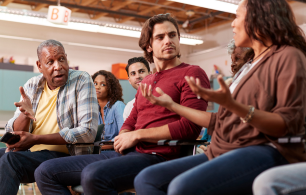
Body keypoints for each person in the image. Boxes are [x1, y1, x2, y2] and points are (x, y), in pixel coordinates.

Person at [134, 0, 306, 194]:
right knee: (147, 179)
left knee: (181, 188)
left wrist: (233, 105)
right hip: (220, 149)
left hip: (262, 149)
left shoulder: (288, 56)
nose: (232, 23)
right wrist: (172, 105)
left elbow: (286, 124)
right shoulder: (249, 64)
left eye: (237, 16)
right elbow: (218, 121)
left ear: (258, 18)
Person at [34, 13, 210, 195]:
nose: (168, 41)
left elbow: (190, 127)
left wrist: (137, 135)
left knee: (93, 175)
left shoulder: (192, 73)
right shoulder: (148, 81)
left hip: (160, 156)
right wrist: (125, 134)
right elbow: (132, 119)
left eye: (173, 35)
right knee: (45, 171)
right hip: (128, 153)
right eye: (160, 37)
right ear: (149, 45)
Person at [0, 39, 98, 195]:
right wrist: (26, 116)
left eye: (61, 59)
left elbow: (88, 132)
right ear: (40, 66)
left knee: (10, 160)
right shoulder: (32, 85)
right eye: (50, 62)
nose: (58, 66)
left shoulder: (81, 80)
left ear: (66, 58)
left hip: (67, 156)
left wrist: (36, 139)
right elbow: (15, 131)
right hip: (33, 153)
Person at [92, 70, 125, 142]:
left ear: (110, 88)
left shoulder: (118, 106)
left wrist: (104, 145)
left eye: (103, 84)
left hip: (115, 150)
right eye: (95, 83)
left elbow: (124, 135)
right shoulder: (93, 109)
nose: (97, 87)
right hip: (99, 151)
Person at [123, 57, 151, 121]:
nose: (137, 76)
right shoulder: (129, 107)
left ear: (150, 74)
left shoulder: (161, 99)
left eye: (141, 71)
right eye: (133, 74)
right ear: (129, 80)